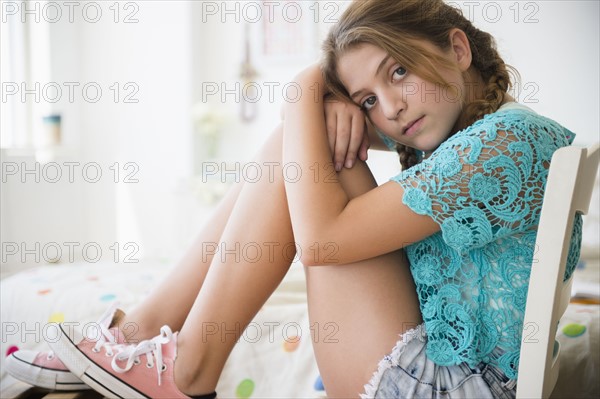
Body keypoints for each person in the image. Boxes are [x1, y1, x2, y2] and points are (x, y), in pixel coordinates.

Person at [6, 0, 582, 398]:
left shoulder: (501, 145)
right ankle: (140, 337)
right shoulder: (490, 133)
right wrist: (332, 107)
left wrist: (305, 88)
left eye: (399, 71)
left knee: (294, 146)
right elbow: (321, 157)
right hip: (448, 376)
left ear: (458, 48)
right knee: (296, 148)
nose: (392, 107)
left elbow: (322, 244)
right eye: (368, 100)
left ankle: (182, 367)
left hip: (437, 388)